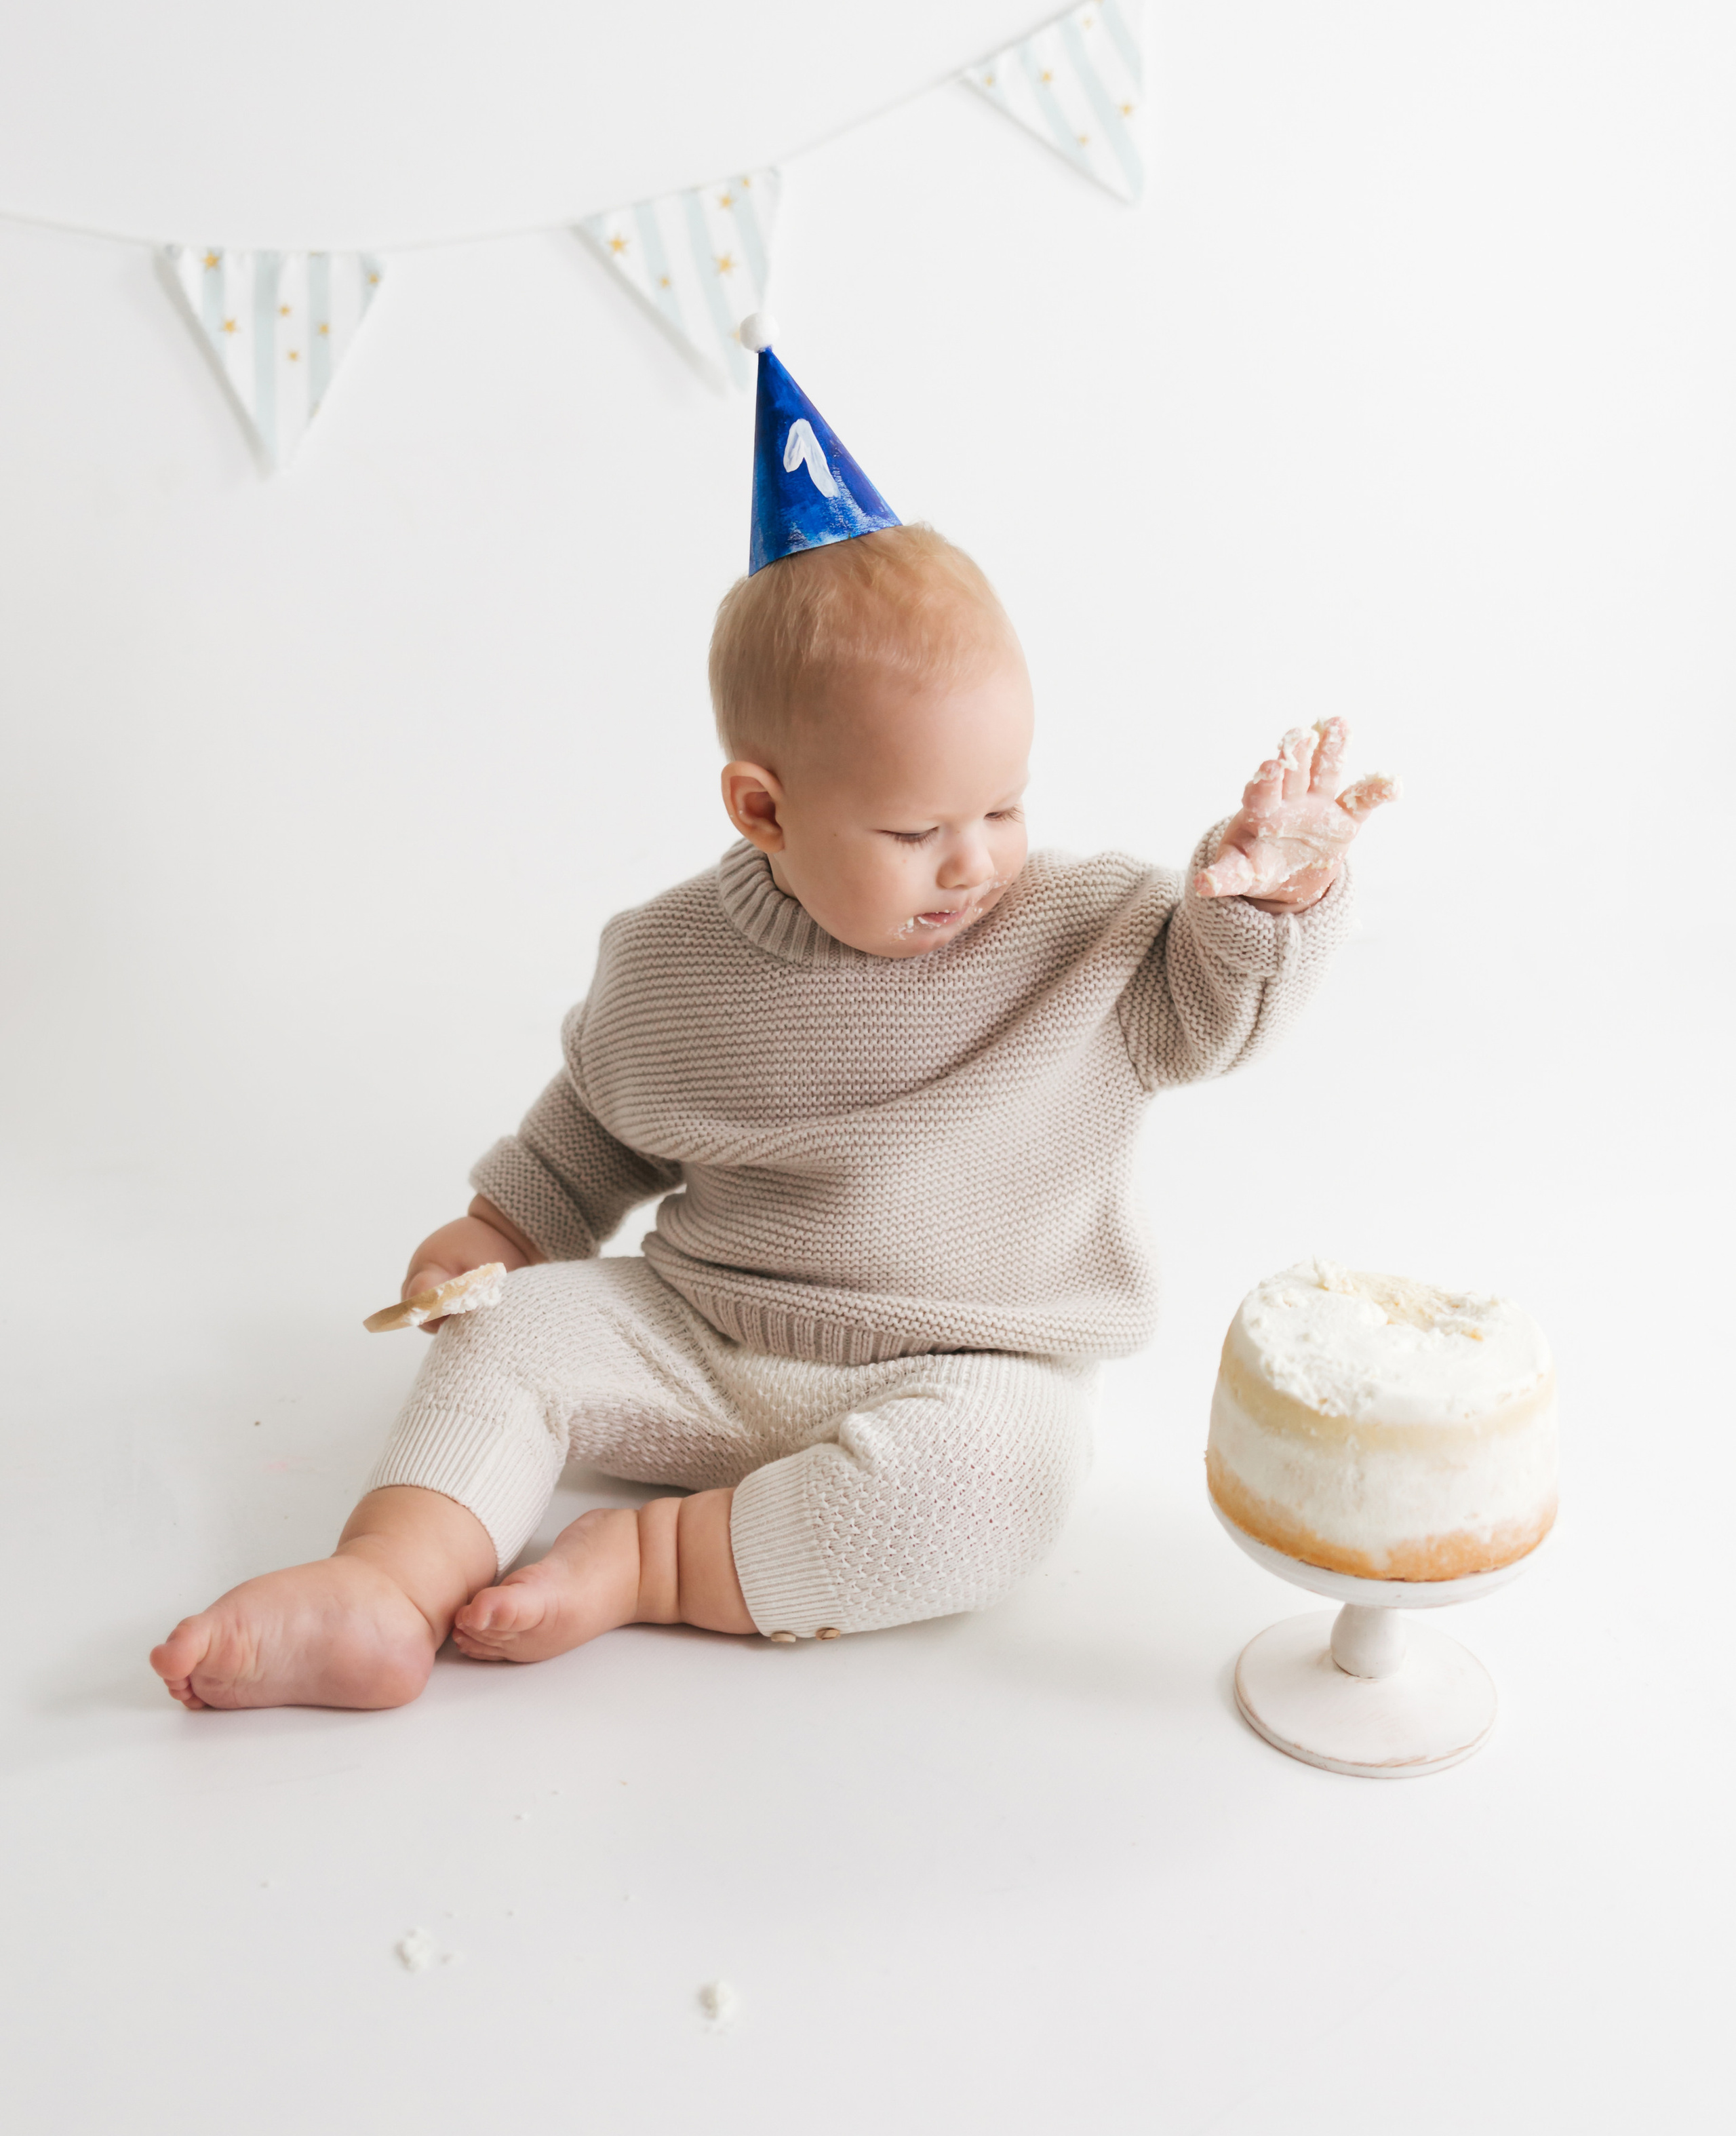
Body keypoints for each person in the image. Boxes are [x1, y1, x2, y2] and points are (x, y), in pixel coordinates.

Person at [151, 330, 1395, 1711]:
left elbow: (1211, 1019)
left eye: (1003, 804)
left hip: (961, 1372)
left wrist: (1257, 906)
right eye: (918, 828)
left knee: (1016, 1482)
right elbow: (590, 1133)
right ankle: (383, 1585)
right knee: (506, 1342)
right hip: (700, 1335)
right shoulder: (670, 963)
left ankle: (654, 1563)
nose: (977, 859)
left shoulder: (1087, 932)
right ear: (762, 807)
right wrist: (505, 1235)